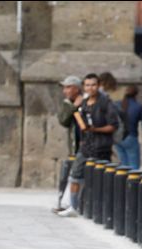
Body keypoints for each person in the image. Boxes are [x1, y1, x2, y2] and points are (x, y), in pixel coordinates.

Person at [58, 73, 119, 218]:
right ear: (83, 87)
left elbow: (113, 126)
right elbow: (68, 121)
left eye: (93, 85)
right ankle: (73, 207)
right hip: (86, 147)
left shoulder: (105, 103)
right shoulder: (83, 103)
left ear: (98, 86)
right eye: (87, 85)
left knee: (101, 179)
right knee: (75, 176)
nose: (90, 88)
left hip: (101, 147)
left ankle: (102, 210)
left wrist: (95, 129)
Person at [53, 75, 83, 213]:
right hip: (74, 145)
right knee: (71, 174)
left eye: (68, 87)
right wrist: (73, 106)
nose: (65, 91)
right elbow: (63, 120)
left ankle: (69, 204)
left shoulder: (86, 101)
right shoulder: (69, 103)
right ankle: (66, 203)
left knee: (75, 175)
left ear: (76, 88)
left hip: (86, 145)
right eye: (64, 88)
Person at [113, 85, 142, 170]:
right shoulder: (138, 106)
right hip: (131, 136)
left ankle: (122, 178)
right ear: (136, 94)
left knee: (123, 163)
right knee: (134, 165)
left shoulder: (117, 104)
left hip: (117, 137)